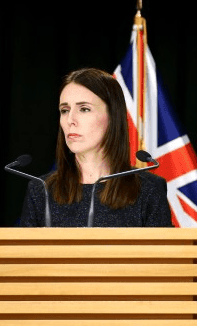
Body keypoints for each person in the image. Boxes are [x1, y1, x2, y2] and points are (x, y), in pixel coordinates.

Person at [19, 68, 173, 227]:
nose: (70, 120)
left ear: (113, 116)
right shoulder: (41, 189)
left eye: (84, 109)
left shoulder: (148, 189)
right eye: (64, 110)